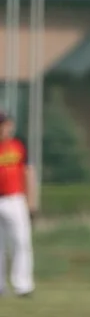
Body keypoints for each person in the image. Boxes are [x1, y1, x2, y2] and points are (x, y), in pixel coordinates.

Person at [0, 111, 34, 298]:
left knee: (21, 242)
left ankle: (23, 285)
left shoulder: (18, 145)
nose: (5, 128)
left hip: (14, 199)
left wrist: (31, 202)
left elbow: (28, 172)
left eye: (6, 124)